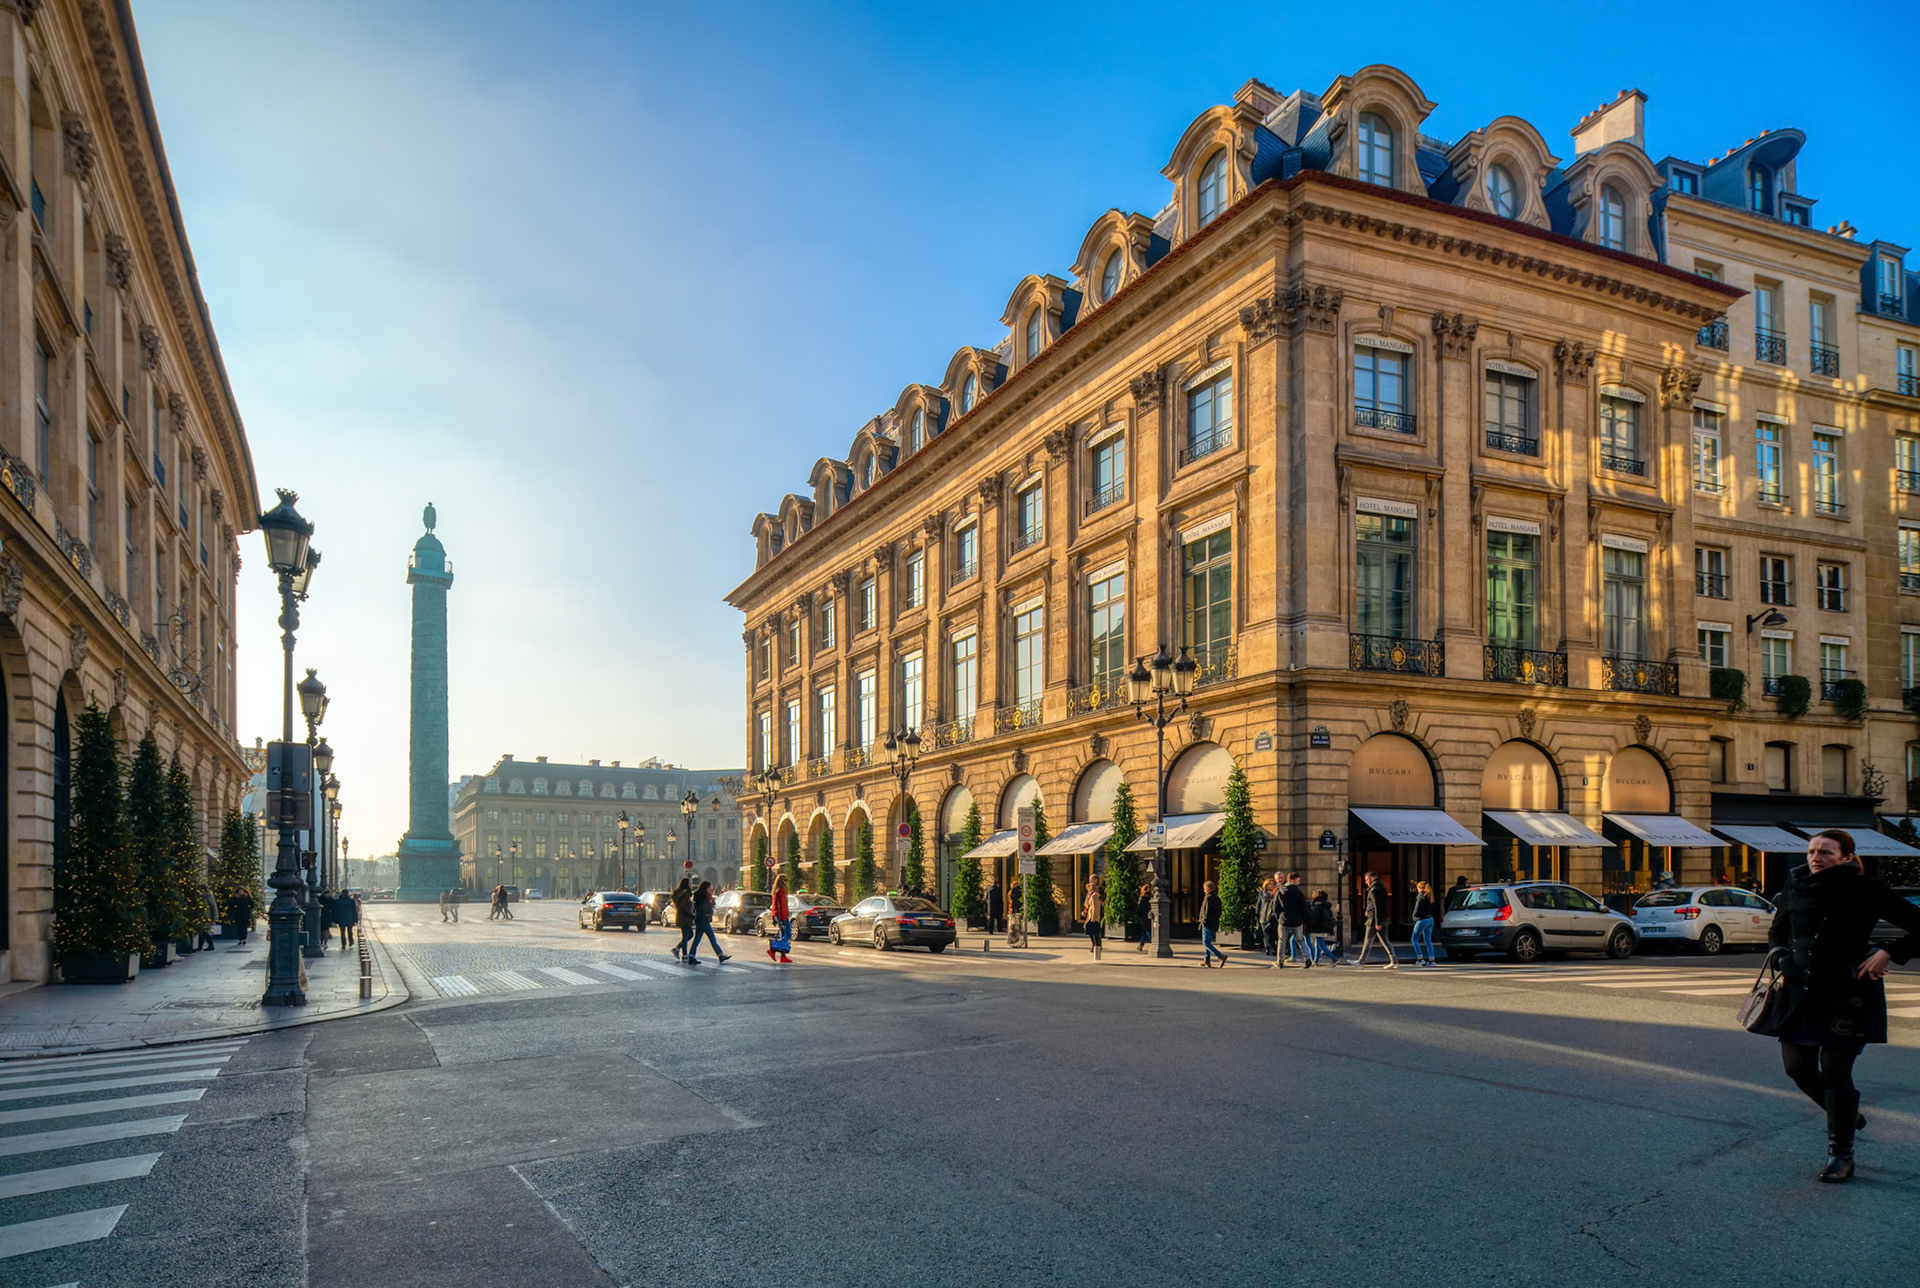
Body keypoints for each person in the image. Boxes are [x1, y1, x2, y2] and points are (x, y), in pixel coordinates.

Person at [1768, 828, 1920, 1182]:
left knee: (1836, 1072)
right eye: (1811, 851)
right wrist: (1779, 960)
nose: (1816, 858)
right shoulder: (1794, 885)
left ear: (1847, 857)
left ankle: (1841, 1153)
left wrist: (1888, 952)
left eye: (1825, 852)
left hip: (1846, 992)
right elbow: (1777, 932)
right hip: (1799, 990)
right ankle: (1849, 1116)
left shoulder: (1867, 889)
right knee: (1797, 1069)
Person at [684, 879, 730, 966]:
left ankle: (691, 956)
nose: (711, 888)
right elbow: (705, 908)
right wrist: (710, 904)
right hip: (704, 919)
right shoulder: (705, 896)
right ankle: (720, 955)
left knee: (697, 939)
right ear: (706, 888)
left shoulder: (698, 895)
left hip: (699, 919)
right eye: (709, 887)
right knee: (712, 938)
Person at [1356, 873, 1396, 968]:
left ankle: (1361, 961)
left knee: (1368, 940)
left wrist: (1377, 922)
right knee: (1384, 940)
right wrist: (1368, 911)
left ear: (1372, 878)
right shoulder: (1381, 888)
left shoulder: (1374, 890)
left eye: (1367, 879)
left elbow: (1376, 906)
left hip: (1374, 920)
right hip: (1381, 918)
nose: (1366, 882)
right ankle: (1394, 960)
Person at [1280, 873, 1311, 968]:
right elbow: (1303, 907)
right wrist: (1304, 918)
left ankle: (1280, 960)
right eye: (1298, 880)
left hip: (1284, 920)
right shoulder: (1298, 892)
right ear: (1292, 880)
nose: (1299, 882)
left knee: (1282, 941)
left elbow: (1275, 906)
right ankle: (1307, 958)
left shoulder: (1280, 891)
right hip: (1297, 921)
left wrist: (1279, 917)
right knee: (1300, 940)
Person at [1308, 890, 1343, 965]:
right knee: (1317, 945)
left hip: (1319, 928)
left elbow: (1315, 918)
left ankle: (1334, 958)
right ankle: (1316, 961)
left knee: (1322, 946)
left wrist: (1311, 924)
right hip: (1324, 927)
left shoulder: (1317, 906)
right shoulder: (1326, 906)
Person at [1198, 879, 1228, 967]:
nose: (1203, 890)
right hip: (1214, 923)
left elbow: (1206, 912)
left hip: (1208, 924)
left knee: (1206, 943)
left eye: (1204, 888)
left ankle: (1220, 956)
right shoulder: (1217, 898)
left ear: (1207, 888)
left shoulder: (1208, 898)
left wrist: (1203, 920)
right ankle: (1206, 960)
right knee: (1208, 941)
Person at [1409, 880, 1437, 967]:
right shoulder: (1430, 896)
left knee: (1414, 939)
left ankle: (1420, 959)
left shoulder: (1421, 896)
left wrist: (1414, 917)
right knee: (1428, 940)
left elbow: (1417, 908)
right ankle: (1432, 960)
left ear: (1419, 888)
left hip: (1422, 920)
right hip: (1430, 919)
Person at [768, 874, 793, 964]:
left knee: (785, 935)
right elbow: (780, 906)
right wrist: (782, 917)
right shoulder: (780, 891)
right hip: (782, 916)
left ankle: (777, 953)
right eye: (784, 880)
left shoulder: (778, 891)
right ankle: (778, 954)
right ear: (780, 881)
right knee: (786, 935)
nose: (786, 882)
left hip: (782, 915)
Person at [671, 878, 696, 960]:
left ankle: (684, 954)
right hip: (685, 916)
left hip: (681, 916)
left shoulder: (679, 892)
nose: (690, 885)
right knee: (688, 935)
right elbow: (684, 905)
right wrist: (691, 914)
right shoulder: (686, 893)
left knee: (685, 935)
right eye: (689, 883)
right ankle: (678, 949)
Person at [1083, 877, 1106, 961]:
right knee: (1093, 931)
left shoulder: (1096, 892)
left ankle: (1097, 945)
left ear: (1096, 879)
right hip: (1091, 914)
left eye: (1092, 879)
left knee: (1094, 930)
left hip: (1094, 916)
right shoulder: (1091, 893)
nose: (1090, 881)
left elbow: (1096, 907)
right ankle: (1096, 945)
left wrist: (1093, 917)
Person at [1256, 877, 1278, 959]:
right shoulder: (1262, 893)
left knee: (1272, 933)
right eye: (1270, 884)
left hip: (1272, 916)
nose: (1271, 886)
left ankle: (1272, 947)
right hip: (1263, 915)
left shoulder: (1276, 893)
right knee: (1266, 933)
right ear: (1266, 885)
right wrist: (1257, 913)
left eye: (1272, 884)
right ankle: (1268, 948)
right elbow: (1259, 904)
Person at [196, 887, 218, 952]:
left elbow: (213, 906)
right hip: (202, 916)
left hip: (207, 916)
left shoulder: (208, 896)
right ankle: (206, 945)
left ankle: (204, 946)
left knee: (204, 930)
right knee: (203, 931)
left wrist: (214, 917)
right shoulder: (202, 897)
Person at [1135, 880, 1154, 952]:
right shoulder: (1151, 898)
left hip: (1144, 917)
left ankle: (1153, 941)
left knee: (1147, 931)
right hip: (1150, 916)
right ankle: (1140, 945)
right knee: (1144, 931)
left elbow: (1140, 909)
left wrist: (1139, 915)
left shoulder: (1142, 899)